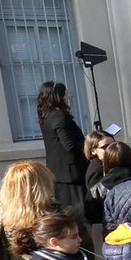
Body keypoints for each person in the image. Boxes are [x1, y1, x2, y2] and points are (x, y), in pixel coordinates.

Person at [38, 81, 88, 226]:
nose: (68, 97)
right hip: (71, 174)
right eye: (65, 94)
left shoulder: (46, 116)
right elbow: (70, 145)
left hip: (57, 172)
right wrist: (89, 144)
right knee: (78, 215)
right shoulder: (60, 117)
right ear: (58, 97)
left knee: (66, 214)